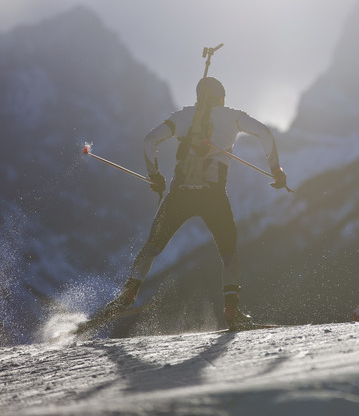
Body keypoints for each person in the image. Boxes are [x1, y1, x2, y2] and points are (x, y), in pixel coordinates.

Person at [93, 76, 287, 330]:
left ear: (198, 97)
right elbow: (265, 132)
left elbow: (149, 141)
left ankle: (126, 296)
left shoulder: (183, 116)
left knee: (152, 247)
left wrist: (155, 175)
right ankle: (232, 312)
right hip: (213, 196)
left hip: (180, 194)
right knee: (228, 254)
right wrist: (275, 169)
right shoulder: (232, 116)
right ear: (221, 97)